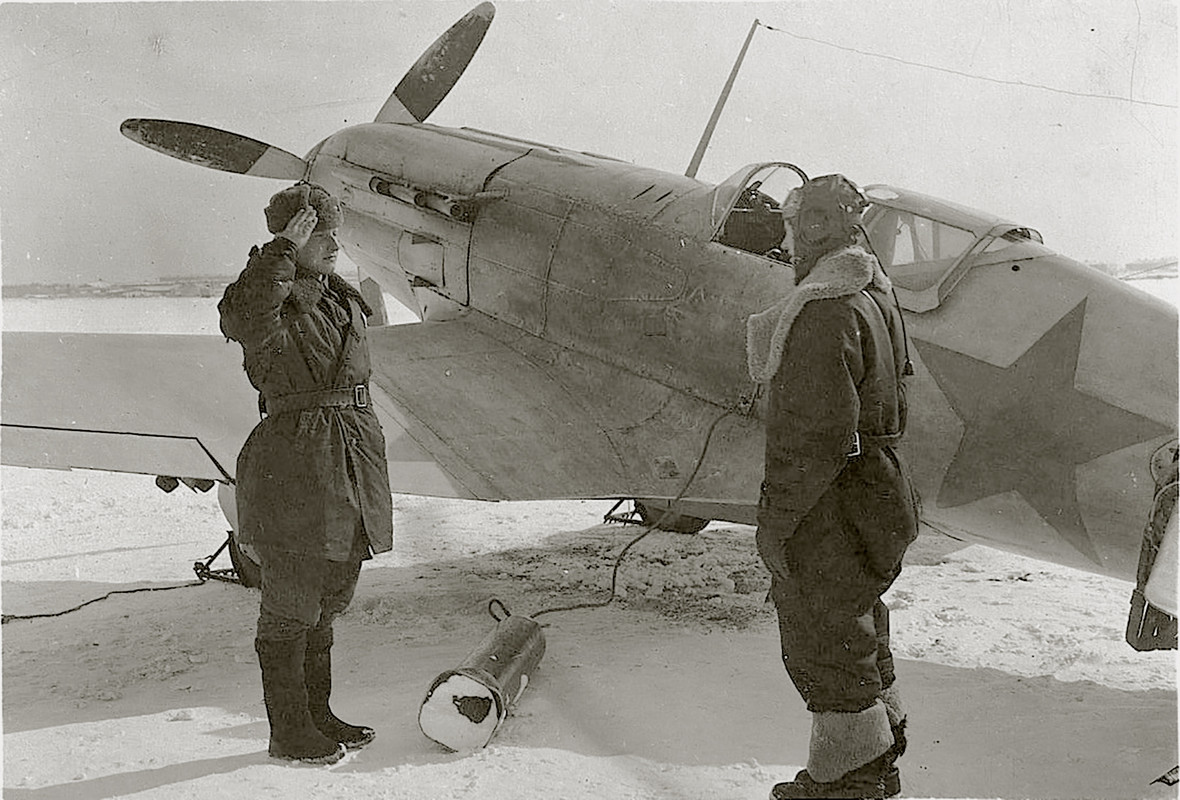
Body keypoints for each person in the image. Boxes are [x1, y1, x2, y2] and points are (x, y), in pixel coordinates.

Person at [746, 174, 919, 799]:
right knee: (857, 620)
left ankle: (849, 780)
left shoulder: (822, 311)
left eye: (794, 226)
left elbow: (812, 441)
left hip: (832, 499)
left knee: (823, 633)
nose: (789, 239)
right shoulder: (875, 292)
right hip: (877, 488)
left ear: (816, 229)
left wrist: (775, 524)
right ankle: (877, 747)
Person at [219, 182, 394, 765]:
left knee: (331, 595)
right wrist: (279, 257)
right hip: (295, 464)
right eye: (321, 232)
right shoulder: (265, 296)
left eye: (335, 231)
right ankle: (288, 731)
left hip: (347, 457)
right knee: (292, 601)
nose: (334, 243)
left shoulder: (339, 298)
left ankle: (318, 714)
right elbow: (245, 318)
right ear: (292, 236)